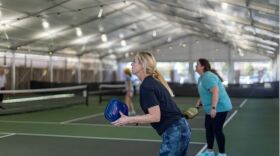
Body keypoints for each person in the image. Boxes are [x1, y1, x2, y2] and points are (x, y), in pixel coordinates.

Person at [113, 52, 191, 156]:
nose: (131, 64)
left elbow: (155, 117)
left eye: (134, 62)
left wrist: (128, 119)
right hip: (182, 127)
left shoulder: (146, 86)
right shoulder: (152, 82)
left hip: (174, 131)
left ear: (142, 65)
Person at [195, 58, 232, 156]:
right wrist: (198, 103)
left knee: (217, 129)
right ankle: (209, 152)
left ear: (202, 66)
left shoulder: (208, 77)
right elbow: (204, 92)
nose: (195, 66)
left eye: (197, 64)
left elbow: (216, 91)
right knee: (209, 128)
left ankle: (222, 154)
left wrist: (213, 108)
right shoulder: (201, 78)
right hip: (210, 107)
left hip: (220, 107)